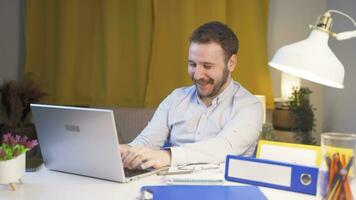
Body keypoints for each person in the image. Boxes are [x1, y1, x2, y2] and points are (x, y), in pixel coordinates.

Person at [120, 21, 263, 170]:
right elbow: (147, 141)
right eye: (192, 64)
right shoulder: (176, 98)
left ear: (231, 63)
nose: (197, 74)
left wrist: (167, 156)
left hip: (223, 190)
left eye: (207, 66)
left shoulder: (250, 107)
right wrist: (124, 151)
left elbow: (225, 147)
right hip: (170, 185)